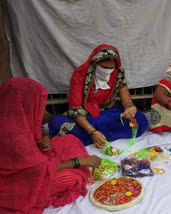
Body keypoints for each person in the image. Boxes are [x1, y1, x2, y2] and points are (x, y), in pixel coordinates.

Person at [0, 77, 101, 214]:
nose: (40, 108)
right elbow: (38, 170)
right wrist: (78, 162)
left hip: (35, 161)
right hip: (21, 184)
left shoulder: (10, 114)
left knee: (68, 140)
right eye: (37, 103)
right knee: (72, 178)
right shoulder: (17, 138)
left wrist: (43, 137)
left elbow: (35, 132)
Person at [49, 44, 148, 148]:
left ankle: (89, 137)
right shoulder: (80, 75)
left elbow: (127, 101)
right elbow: (76, 111)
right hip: (84, 117)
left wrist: (130, 108)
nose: (107, 71)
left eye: (111, 68)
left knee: (140, 119)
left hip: (106, 115)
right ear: (95, 63)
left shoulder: (117, 73)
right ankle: (98, 135)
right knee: (57, 124)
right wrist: (93, 132)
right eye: (104, 67)